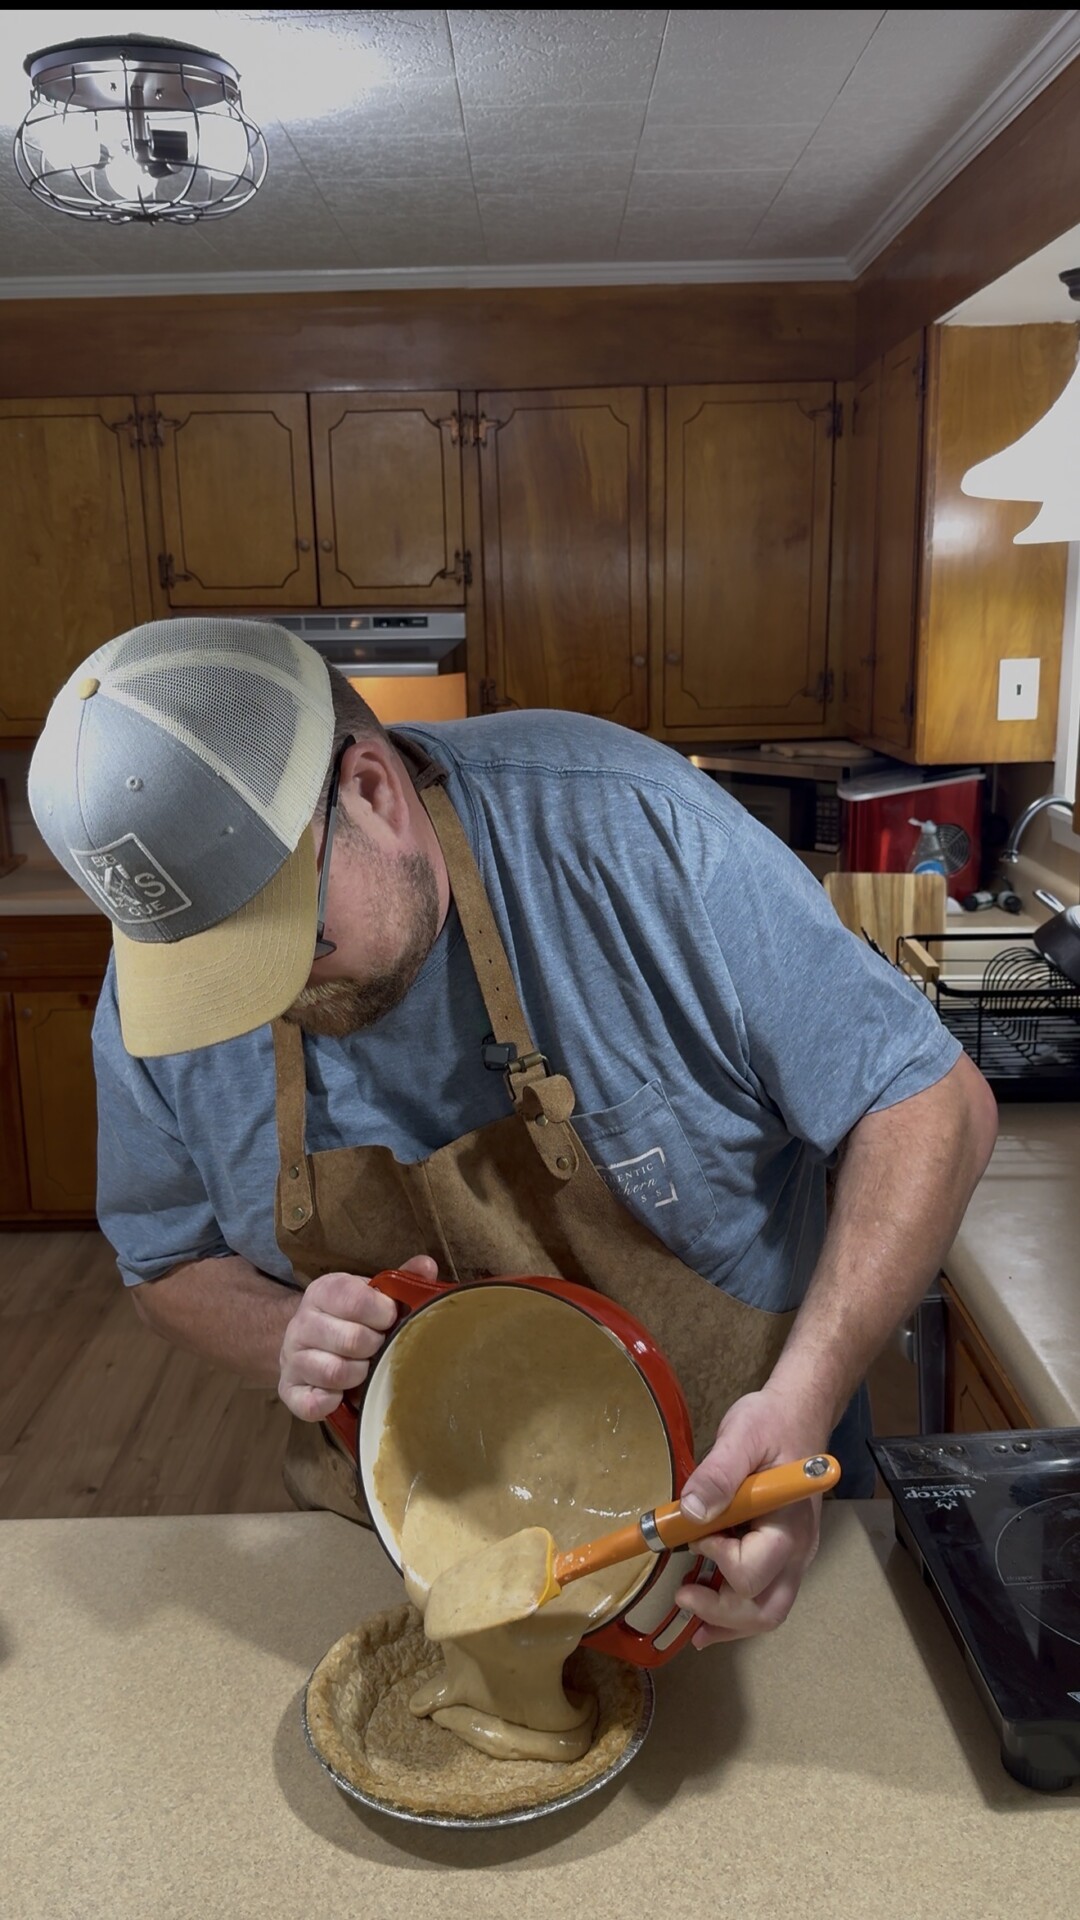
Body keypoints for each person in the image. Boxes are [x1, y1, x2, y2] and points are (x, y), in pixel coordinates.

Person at [28, 617, 998, 1648]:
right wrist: (282, 1332)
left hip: (735, 1534)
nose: (265, 1004)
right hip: (410, 1556)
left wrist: (800, 1409)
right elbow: (167, 1262)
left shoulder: (634, 836)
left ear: (370, 790)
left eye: (288, 947)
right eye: (219, 978)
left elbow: (933, 1106)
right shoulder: (164, 983)